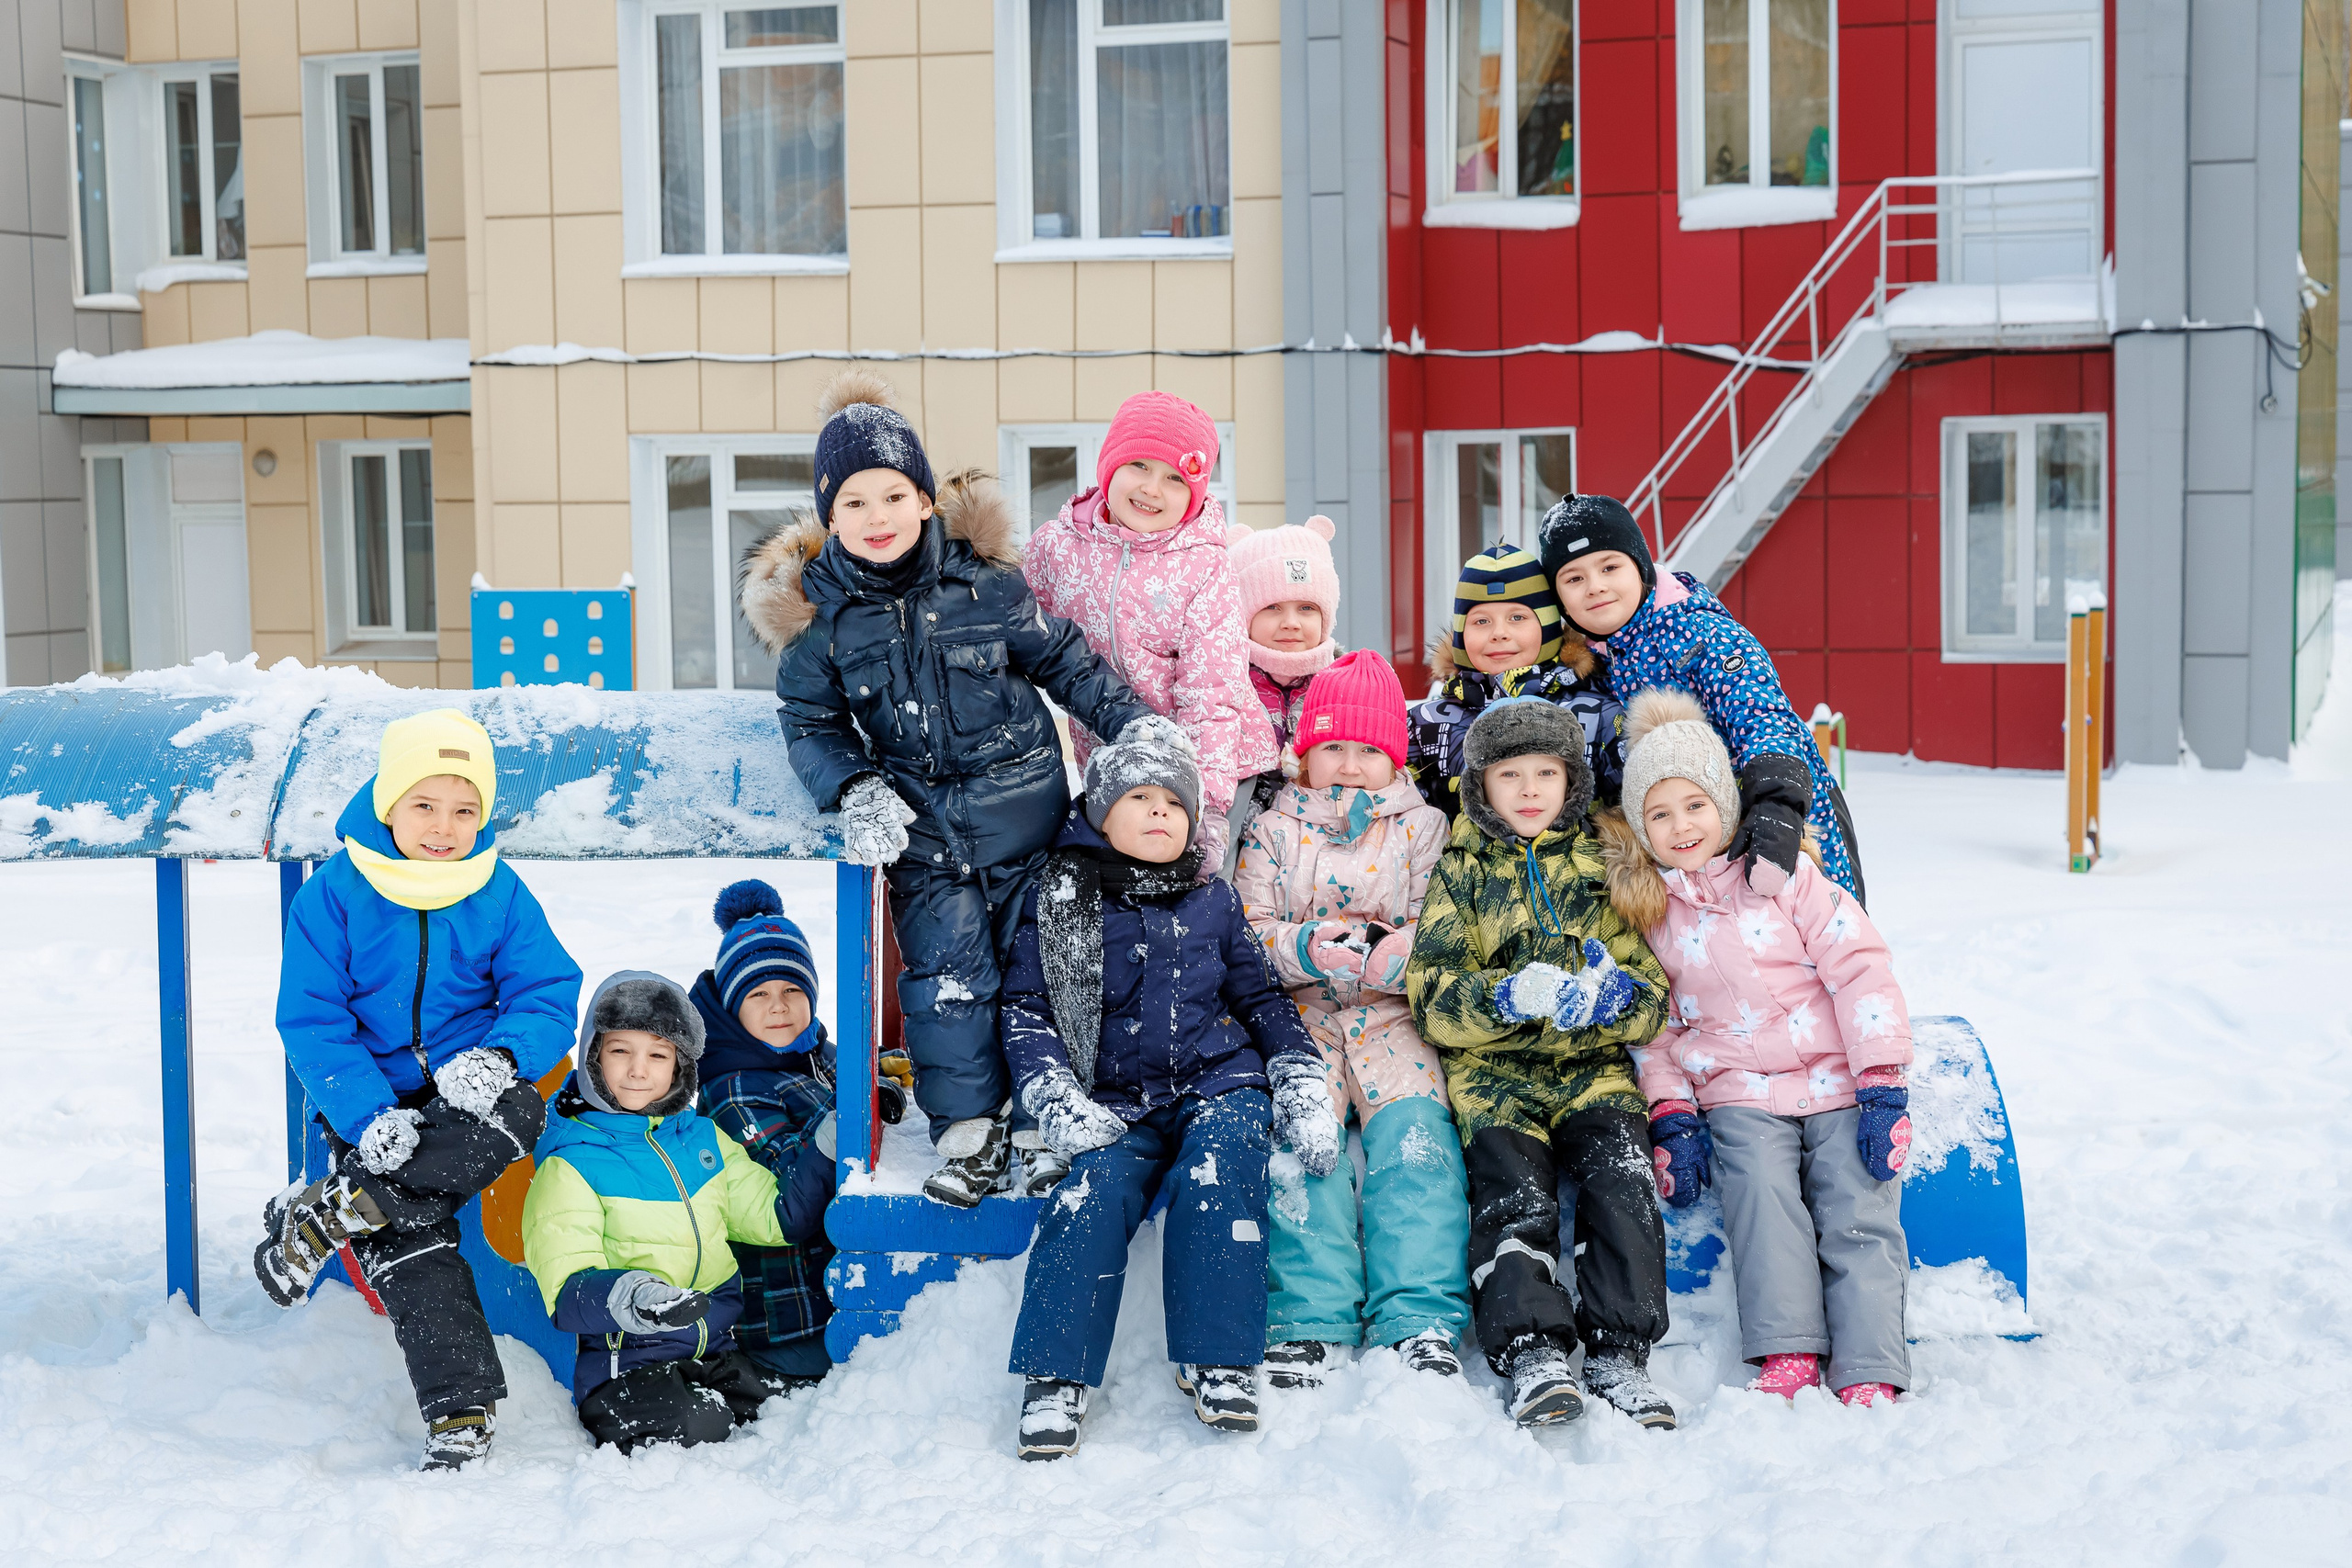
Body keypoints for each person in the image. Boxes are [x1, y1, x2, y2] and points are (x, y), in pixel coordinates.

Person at [742, 371, 1164, 1207]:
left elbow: (1067, 662)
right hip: (925, 840)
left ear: (927, 501)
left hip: (1028, 822)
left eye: (894, 495)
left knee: (1043, 967)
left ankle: (1046, 1114)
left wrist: (1137, 728)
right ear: (830, 520)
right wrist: (854, 787)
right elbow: (809, 723)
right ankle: (968, 1130)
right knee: (944, 980)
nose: (877, 517)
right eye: (854, 504)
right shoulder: (821, 626)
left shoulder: (985, 585)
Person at [999, 724, 1335, 1460]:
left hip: (1218, 1080)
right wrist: (1053, 1092)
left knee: (1220, 1174)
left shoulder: (1211, 898)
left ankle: (1217, 1358)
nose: (1159, 813)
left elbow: (1262, 999)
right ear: (1099, 813)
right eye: (1138, 797)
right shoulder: (1062, 896)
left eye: (1173, 803)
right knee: (1090, 1191)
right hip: (1113, 1096)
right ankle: (1055, 1375)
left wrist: (1301, 1076)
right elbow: (1027, 1008)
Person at [259, 708, 582, 1470]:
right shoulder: (334, 895)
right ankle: (461, 1412)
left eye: (465, 809)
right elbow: (312, 1019)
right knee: (412, 1238)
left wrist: (501, 1055)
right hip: (369, 1101)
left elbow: (547, 988)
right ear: (389, 804)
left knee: (520, 1108)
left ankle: (344, 1205)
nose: (445, 827)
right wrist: (370, 1118)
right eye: (425, 806)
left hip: (468, 1095)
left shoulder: (497, 890)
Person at [1599, 689, 1914, 1407]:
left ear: (1727, 806)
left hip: (1836, 1080)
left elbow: (1861, 966)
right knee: (1762, 1204)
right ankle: (1789, 1349)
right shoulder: (1649, 916)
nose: (1681, 826)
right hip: (1737, 1091)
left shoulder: (1787, 878)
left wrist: (1882, 1078)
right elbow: (1656, 1029)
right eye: (1659, 812)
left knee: (1857, 1208)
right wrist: (1673, 1112)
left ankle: (1870, 1363)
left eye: (1695, 805)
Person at [1406, 698, 1678, 1430]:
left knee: (1624, 1183)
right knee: (1513, 1196)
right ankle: (1533, 1349)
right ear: (1480, 788)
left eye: (1547, 772)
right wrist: (1504, 995)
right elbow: (1431, 998)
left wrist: (1614, 999)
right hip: (1497, 1084)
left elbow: (1655, 995)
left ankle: (1621, 1350)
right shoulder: (1459, 872)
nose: (1530, 789)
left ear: (1572, 782)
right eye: (1510, 774)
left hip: (1594, 1072)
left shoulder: (1602, 866)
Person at [1234, 650, 1473, 1386]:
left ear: (1393, 758)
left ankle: (1420, 1312)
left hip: (1395, 1018)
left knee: (1417, 1147)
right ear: (1304, 754)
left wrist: (1396, 954)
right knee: (1305, 1146)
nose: (1348, 764)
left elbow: (1449, 922)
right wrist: (1305, 945)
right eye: (1331, 746)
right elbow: (1246, 930)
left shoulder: (1423, 828)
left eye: (1368, 750)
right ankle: (1309, 1312)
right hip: (1299, 1015)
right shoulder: (1273, 830)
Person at [522, 971, 807, 1451]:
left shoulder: (703, 1140)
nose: (638, 1070)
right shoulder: (572, 1162)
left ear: (680, 1067)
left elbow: (777, 1219)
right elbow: (567, 1293)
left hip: (713, 1354)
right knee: (704, 1425)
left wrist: (825, 1148)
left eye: (657, 1054)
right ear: (594, 1056)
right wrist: (634, 1298)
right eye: (620, 1051)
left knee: (785, 1412)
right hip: (626, 1369)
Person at [1538, 493, 1864, 899]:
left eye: (1609, 566)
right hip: (1688, 848)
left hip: (1781, 823)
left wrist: (1777, 809)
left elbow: (1763, 718)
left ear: (1639, 568)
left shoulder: (1700, 635)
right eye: (1574, 578)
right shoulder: (1585, 666)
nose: (1595, 587)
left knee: (1822, 945)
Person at [1023, 389, 1278, 875]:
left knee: (1206, 899)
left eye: (1175, 479)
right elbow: (1015, 629)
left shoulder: (1202, 563)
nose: (1152, 489)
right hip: (1119, 763)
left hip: (1216, 764)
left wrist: (1209, 808)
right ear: (1109, 465)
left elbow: (1212, 694)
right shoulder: (1057, 548)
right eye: (1139, 465)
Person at [688, 880, 903, 1388]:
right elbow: (788, 1200)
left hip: (830, 1296)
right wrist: (843, 1117)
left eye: (791, 990)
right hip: (789, 1319)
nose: (779, 1006)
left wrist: (874, 1082)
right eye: (758, 994)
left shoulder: (814, 1056)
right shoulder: (732, 1090)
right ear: (732, 1007)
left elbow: (836, 1092)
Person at [1406, 544, 1626, 824]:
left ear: (1547, 627)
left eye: (1517, 618)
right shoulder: (1426, 725)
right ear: (1461, 636)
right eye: (1481, 621)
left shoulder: (1599, 716)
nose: (1499, 633)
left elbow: (1629, 812)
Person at [1228, 512, 1345, 841]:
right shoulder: (1225, 683)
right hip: (1245, 842)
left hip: (1327, 841)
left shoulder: (1343, 684)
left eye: (1306, 608)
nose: (1291, 622)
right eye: (1273, 607)